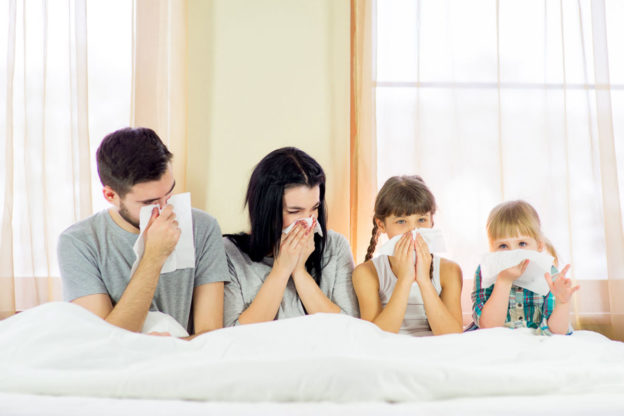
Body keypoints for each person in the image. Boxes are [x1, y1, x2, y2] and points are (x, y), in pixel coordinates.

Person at [57, 127, 229, 337]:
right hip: (117, 367)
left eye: (170, 192)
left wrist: (163, 348)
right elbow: (106, 340)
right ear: (111, 195)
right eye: (150, 202)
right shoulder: (78, 243)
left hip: (185, 362)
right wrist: (153, 257)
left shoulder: (203, 227)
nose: (166, 208)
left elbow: (211, 335)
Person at [223, 147, 359, 326]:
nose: (309, 221)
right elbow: (231, 336)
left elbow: (351, 329)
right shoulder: (229, 253)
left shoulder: (336, 246)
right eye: (295, 211)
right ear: (266, 211)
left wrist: (299, 271)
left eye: (315, 208)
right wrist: (281, 270)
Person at [352, 176, 463, 336]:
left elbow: (452, 335)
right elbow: (374, 337)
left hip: (436, 351)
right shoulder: (366, 273)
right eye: (401, 221)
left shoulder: (449, 271)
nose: (413, 231)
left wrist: (424, 281)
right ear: (381, 225)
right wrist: (405, 279)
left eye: (421, 220)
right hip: (389, 351)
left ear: (432, 222)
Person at [471, 200, 579, 334]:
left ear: (539, 246)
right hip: (498, 341)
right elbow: (488, 327)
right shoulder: (486, 271)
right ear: (491, 249)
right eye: (503, 246)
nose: (513, 254)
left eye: (522, 244)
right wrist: (504, 281)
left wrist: (562, 303)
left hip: (536, 342)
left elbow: (557, 332)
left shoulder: (548, 273)